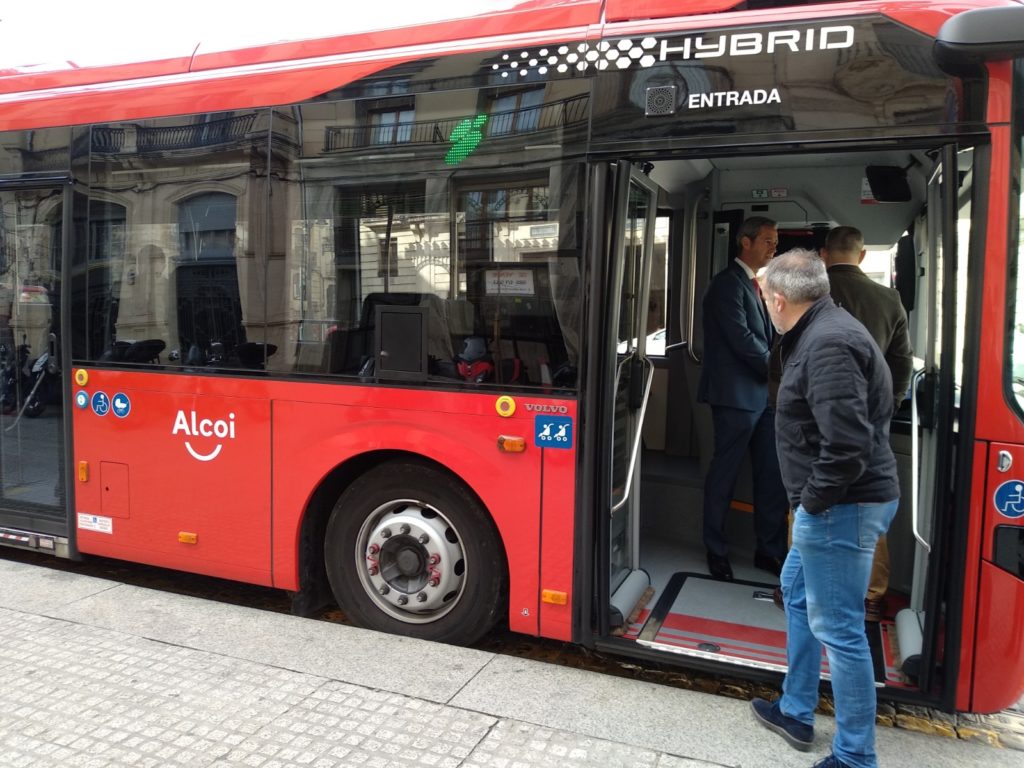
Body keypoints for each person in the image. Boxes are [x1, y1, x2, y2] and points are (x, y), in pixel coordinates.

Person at [750, 248, 900, 768]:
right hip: (838, 505)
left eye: (764, 294)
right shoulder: (822, 329)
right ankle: (795, 709)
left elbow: (847, 445)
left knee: (839, 627)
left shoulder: (829, 343)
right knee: (795, 594)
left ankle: (856, 756)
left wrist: (810, 507)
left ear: (777, 298)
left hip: (840, 507)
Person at [821, 225, 913, 622]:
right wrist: (886, 405)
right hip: (869, 417)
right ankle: (873, 596)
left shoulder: (808, 294)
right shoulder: (888, 299)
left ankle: (807, 586)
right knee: (868, 502)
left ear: (824, 254)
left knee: (807, 501)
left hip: (816, 416)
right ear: (860, 256)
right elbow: (902, 361)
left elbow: (783, 357)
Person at [697, 216, 789, 581]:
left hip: (764, 399)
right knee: (725, 475)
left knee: (771, 476)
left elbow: (770, 336)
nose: (773, 247)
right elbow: (743, 341)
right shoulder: (726, 285)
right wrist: (779, 371)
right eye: (767, 240)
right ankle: (715, 550)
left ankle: (768, 551)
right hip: (735, 398)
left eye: (775, 240)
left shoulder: (759, 285)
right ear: (745, 242)